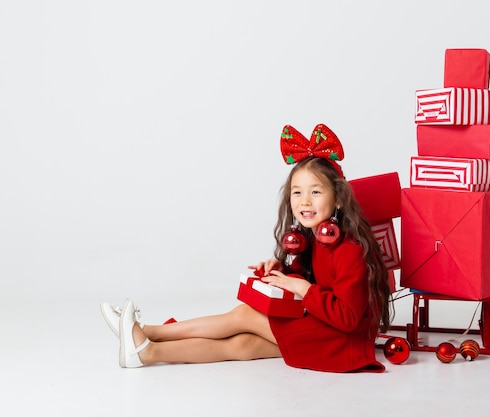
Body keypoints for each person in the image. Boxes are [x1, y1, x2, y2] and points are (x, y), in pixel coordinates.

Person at [101, 123, 392, 372]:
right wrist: (283, 270)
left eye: (315, 192)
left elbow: (348, 318)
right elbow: (314, 277)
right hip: (322, 329)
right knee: (243, 344)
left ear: (338, 199)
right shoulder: (317, 239)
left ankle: (149, 332)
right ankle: (146, 352)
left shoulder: (349, 248)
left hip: (342, 341)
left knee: (244, 316)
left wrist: (302, 289)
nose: (304, 201)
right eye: (297, 193)